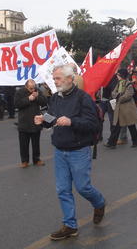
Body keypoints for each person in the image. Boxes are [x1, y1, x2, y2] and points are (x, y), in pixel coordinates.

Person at [34, 64, 105, 241]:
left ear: (70, 79)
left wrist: (71, 122)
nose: (55, 81)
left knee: (83, 187)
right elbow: (52, 119)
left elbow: (93, 124)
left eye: (58, 78)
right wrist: (43, 120)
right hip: (60, 150)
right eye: (54, 78)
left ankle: (99, 203)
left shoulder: (83, 98)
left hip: (79, 150)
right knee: (62, 190)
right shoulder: (56, 98)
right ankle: (70, 226)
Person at [14, 79, 48, 168]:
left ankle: (36, 159)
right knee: (23, 143)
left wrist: (37, 97)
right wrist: (28, 99)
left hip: (35, 121)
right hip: (24, 121)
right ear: (26, 86)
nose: (32, 90)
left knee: (36, 143)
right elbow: (17, 104)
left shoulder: (37, 90)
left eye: (34, 88)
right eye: (30, 88)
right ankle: (24, 161)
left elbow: (44, 102)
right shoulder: (20, 92)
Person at [104, 68, 137, 148]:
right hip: (120, 108)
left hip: (128, 108)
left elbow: (128, 95)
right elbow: (113, 93)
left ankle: (136, 142)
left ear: (121, 75)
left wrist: (118, 98)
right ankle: (111, 143)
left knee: (131, 126)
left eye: (118, 74)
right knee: (116, 126)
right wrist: (118, 96)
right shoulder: (119, 83)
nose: (117, 76)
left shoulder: (128, 84)